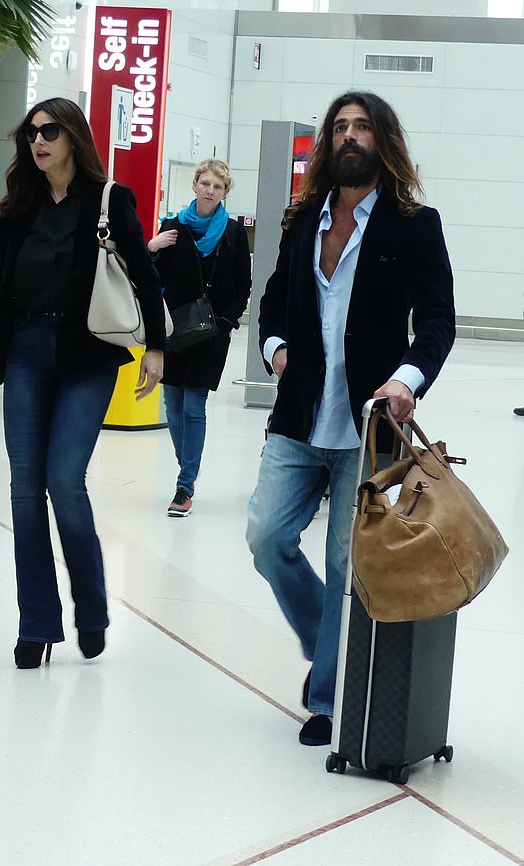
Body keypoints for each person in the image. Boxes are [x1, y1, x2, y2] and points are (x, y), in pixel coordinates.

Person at [246, 92, 456, 747]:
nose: (349, 136)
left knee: (346, 563)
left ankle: (326, 698)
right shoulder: (303, 219)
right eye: (339, 127)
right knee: (266, 540)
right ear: (327, 142)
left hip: (367, 428)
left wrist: (407, 377)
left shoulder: (413, 224)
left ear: (382, 139)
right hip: (298, 418)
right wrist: (276, 350)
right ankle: (328, 647)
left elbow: (438, 322)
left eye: (362, 126)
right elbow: (274, 303)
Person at [0, 97, 167, 669]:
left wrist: (156, 350)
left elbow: (143, 275)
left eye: (48, 131)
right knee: (26, 492)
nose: (37, 142)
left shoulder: (109, 200)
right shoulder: (18, 210)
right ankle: (37, 623)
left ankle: (92, 610)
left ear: (73, 137)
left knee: (64, 481)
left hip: (87, 358)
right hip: (24, 352)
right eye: (30, 134)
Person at [148, 159, 251, 517]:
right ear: (194, 185)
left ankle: (184, 485)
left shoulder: (234, 233)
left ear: (225, 192)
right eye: (205, 183)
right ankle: (186, 465)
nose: (210, 190)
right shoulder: (173, 228)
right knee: (171, 406)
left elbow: (244, 284)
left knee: (194, 406)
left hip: (213, 332)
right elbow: (149, 279)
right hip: (176, 329)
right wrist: (152, 247)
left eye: (218, 186)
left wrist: (226, 321)